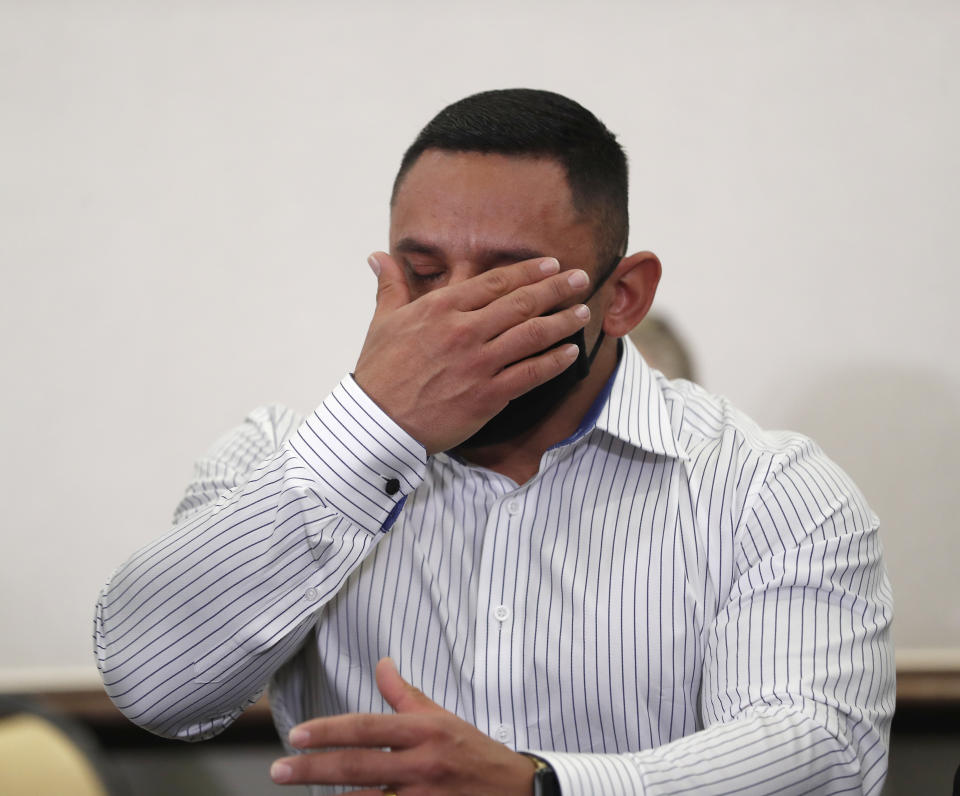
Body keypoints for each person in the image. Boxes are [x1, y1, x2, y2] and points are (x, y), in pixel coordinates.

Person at [94, 89, 894, 795]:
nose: (456, 315)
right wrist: (372, 430)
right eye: (425, 272)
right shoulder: (271, 458)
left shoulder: (769, 489)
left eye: (510, 277)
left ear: (621, 297)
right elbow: (153, 688)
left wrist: (545, 789)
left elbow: (823, 753)